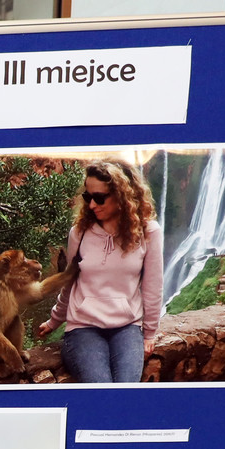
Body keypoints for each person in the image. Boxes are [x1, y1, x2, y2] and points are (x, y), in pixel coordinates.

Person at [37, 160, 164, 383]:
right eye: (88, 197)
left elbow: (153, 287)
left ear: (122, 194)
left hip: (127, 326)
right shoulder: (79, 233)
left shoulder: (148, 232)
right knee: (100, 386)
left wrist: (150, 333)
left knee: (126, 388)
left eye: (99, 197)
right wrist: (54, 321)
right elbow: (69, 281)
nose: (92, 205)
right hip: (83, 327)